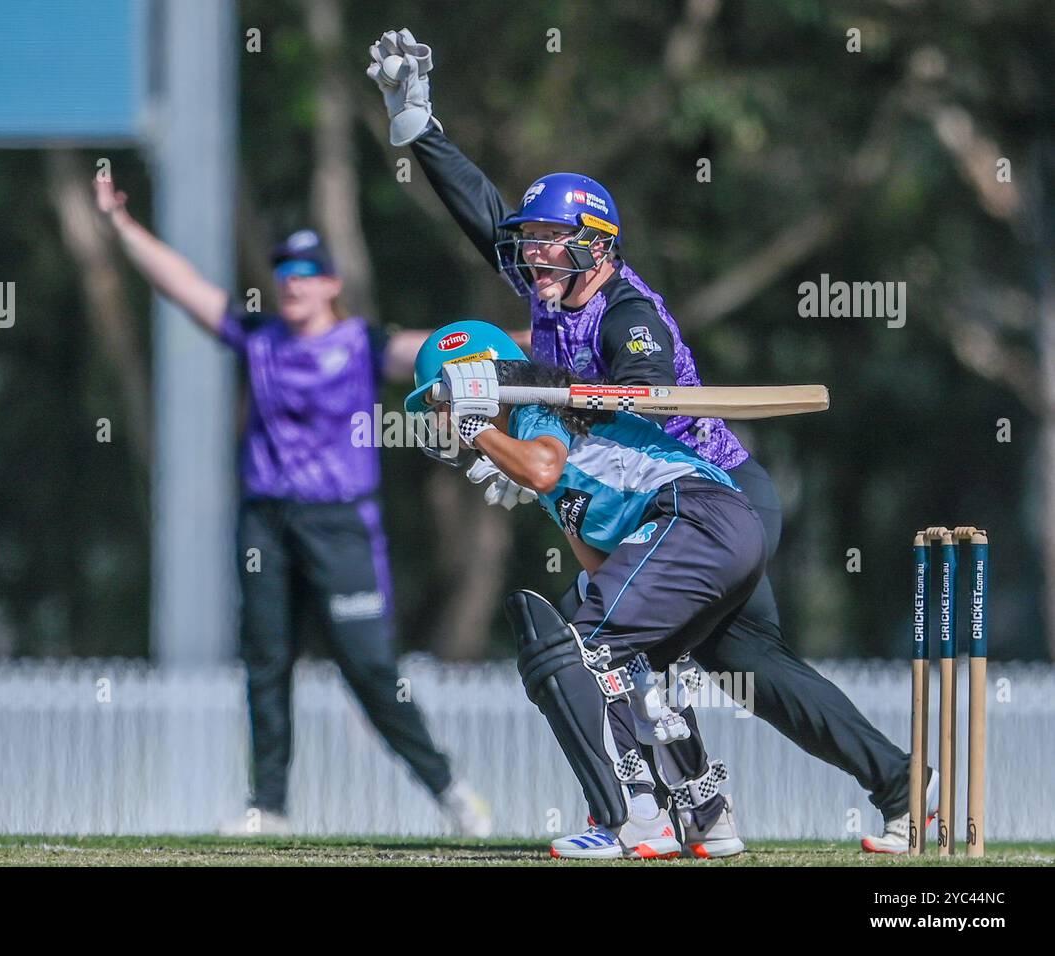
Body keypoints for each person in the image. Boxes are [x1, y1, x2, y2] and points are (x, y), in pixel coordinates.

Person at [368, 28, 931, 852]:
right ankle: (884, 786)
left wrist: (528, 416)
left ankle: (655, 816)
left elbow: (643, 382)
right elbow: (485, 217)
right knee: (754, 673)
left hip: (715, 496)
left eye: (551, 245)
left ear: (597, 246)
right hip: (649, 509)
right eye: (532, 248)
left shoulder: (627, 313)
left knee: (607, 644)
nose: (534, 259)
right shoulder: (550, 283)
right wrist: (420, 129)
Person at [94, 176, 492, 837]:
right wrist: (122, 226)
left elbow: (441, 351)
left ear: (331, 284)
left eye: (308, 272)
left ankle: (452, 792)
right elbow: (183, 287)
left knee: (369, 668)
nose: (293, 282)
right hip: (267, 523)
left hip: (341, 523)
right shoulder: (259, 339)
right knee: (267, 660)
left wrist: (549, 338)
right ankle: (270, 807)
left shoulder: (362, 345)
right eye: (284, 271)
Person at [408, 320, 765, 859]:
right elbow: (600, 564)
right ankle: (705, 813)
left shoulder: (534, 410)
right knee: (617, 640)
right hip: (714, 528)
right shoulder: (536, 436)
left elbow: (546, 468)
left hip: (695, 516)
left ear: (478, 383)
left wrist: (483, 430)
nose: (444, 420)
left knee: (574, 649)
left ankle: (631, 819)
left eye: (444, 402)